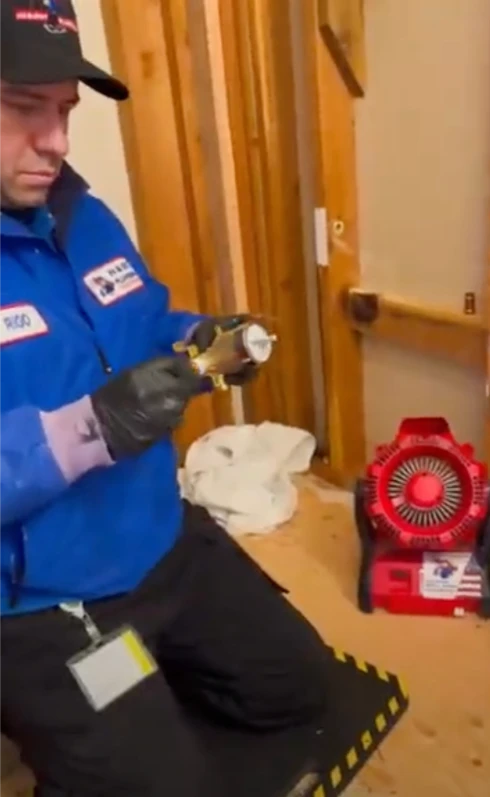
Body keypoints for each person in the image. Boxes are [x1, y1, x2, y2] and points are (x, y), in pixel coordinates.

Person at [0, 2, 331, 795]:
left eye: (65, 110)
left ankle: (138, 706)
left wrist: (200, 337)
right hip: (45, 599)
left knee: (297, 688)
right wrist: (89, 428)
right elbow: (87, 420)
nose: (57, 141)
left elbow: (143, 320)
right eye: (24, 107)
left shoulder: (81, 211)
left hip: (159, 534)